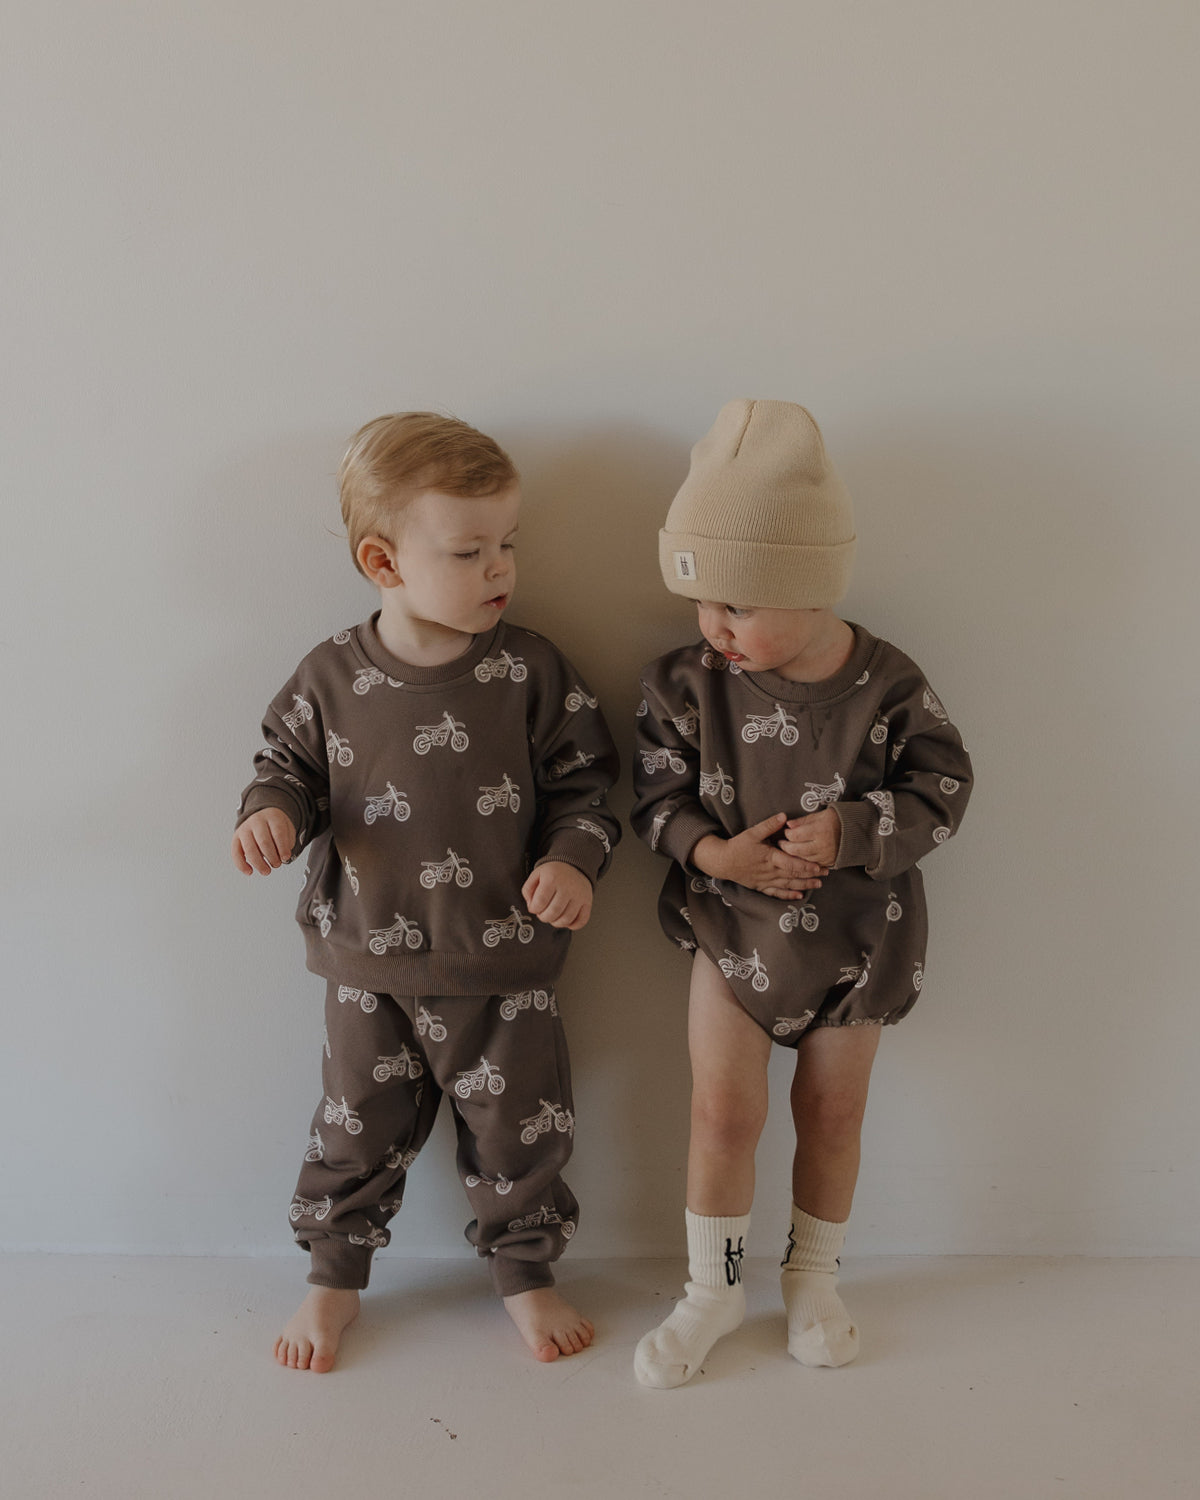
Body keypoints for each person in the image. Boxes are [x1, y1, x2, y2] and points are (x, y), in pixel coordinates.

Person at [232, 412, 620, 1372]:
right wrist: (271, 813)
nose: (500, 569)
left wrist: (573, 860)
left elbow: (587, 789)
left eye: (508, 544)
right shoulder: (329, 678)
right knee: (352, 1126)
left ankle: (528, 1276)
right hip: (368, 959)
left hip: (503, 961)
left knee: (521, 1132)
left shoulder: (530, 672)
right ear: (385, 560)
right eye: (469, 549)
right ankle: (333, 1280)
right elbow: (284, 765)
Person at [630, 399, 972, 1388]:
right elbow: (652, 795)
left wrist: (859, 829)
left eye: (738, 606)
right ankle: (713, 1286)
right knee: (721, 1115)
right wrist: (716, 857)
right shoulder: (686, 686)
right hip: (731, 936)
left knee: (831, 1116)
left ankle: (813, 1278)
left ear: (809, 582)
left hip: (859, 945)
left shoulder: (889, 686)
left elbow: (945, 788)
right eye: (703, 604)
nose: (714, 628)